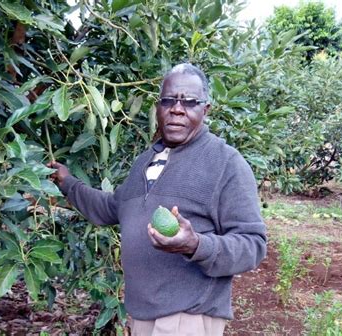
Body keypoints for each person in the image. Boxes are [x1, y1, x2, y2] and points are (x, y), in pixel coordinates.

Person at [49, 63, 267, 335]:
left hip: (188, 317)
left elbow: (253, 245)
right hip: (141, 315)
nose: (177, 109)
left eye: (189, 102)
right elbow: (112, 208)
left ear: (205, 109)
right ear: (158, 108)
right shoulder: (146, 160)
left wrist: (195, 245)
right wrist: (67, 182)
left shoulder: (225, 163)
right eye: (169, 100)